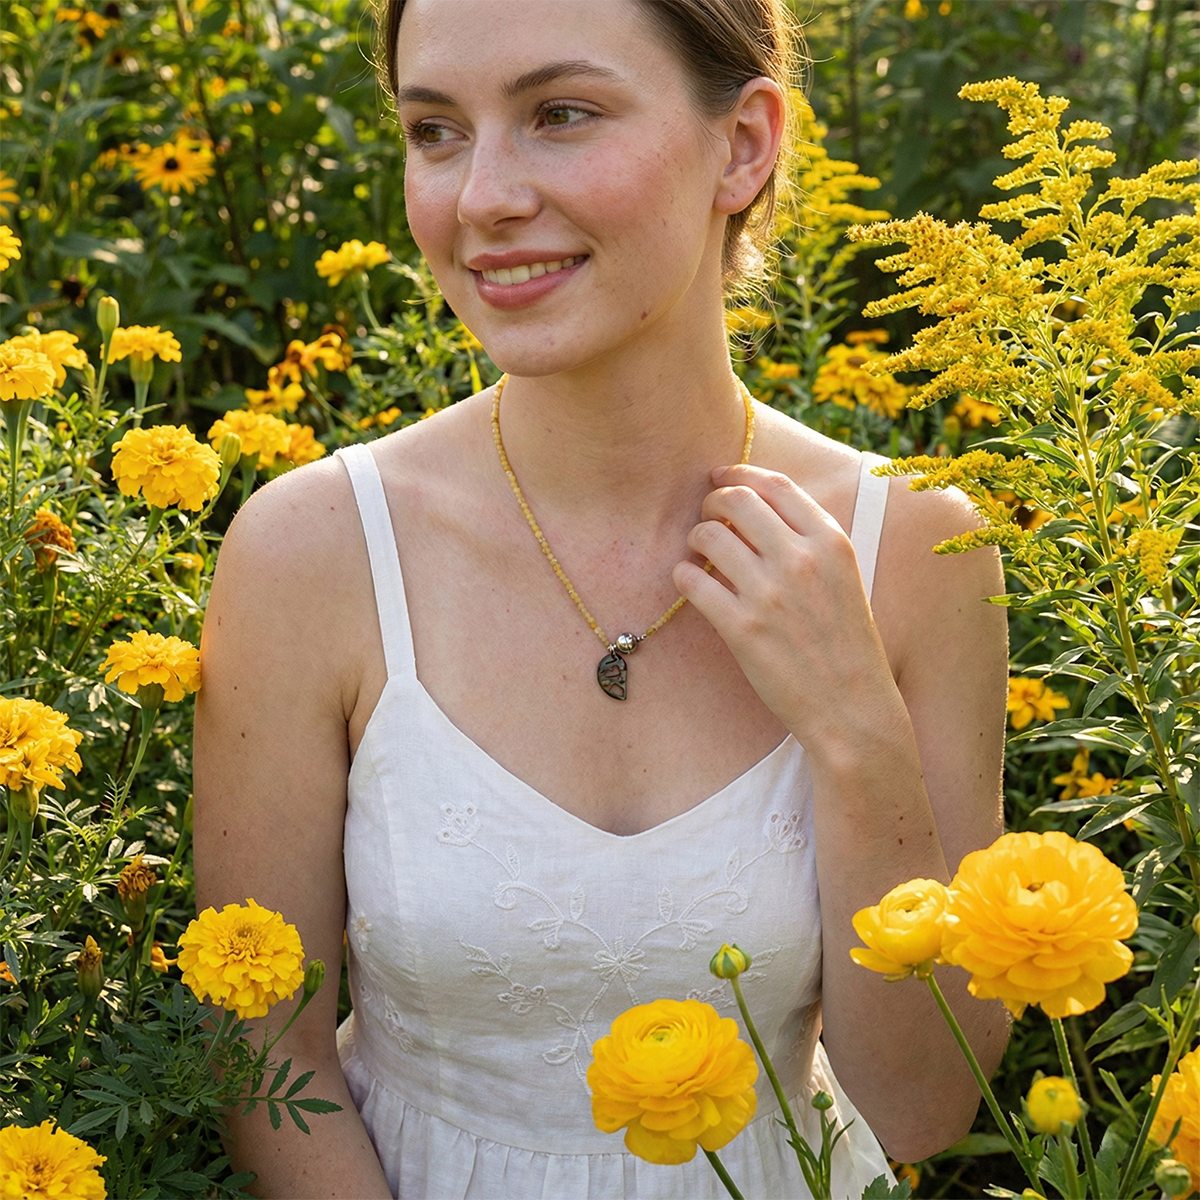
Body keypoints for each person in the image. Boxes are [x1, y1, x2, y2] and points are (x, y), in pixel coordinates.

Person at [193, 0, 1011, 1194]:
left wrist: (854, 733)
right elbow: (265, 1050)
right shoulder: (311, 553)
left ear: (744, 146)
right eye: (435, 130)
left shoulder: (915, 552)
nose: (481, 199)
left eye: (559, 114)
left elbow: (927, 1108)